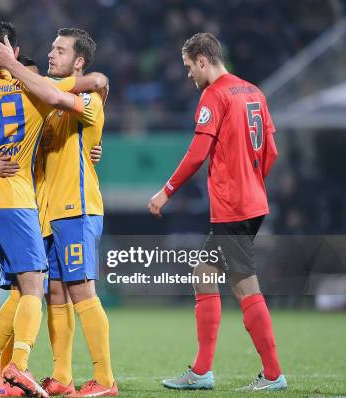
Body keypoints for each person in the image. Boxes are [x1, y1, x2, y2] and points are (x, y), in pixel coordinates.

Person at [0, 21, 108, 398]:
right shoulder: (33, 96)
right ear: (13, 52)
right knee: (36, 288)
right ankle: (16, 366)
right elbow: (93, 81)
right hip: (20, 203)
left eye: (59, 50)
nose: (50, 54)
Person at [147, 32, 286, 391]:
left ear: (203, 60)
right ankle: (202, 370)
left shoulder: (215, 94)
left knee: (244, 287)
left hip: (234, 207)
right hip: (252, 202)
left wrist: (166, 191)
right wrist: (252, 182)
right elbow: (270, 150)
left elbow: (197, 152)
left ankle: (272, 374)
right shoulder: (253, 91)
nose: (188, 74)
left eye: (189, 66)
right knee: (204, 271)